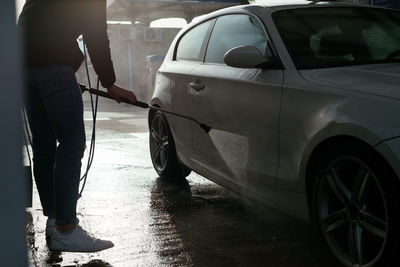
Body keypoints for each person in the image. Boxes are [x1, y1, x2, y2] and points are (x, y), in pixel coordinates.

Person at [18, 0, 137, 252]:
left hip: (25, 66)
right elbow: (95, 33)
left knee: (44, 143)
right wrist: (110, 82)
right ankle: (66, 228)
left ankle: (54, 221)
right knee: (71, 145)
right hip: (53, 66)